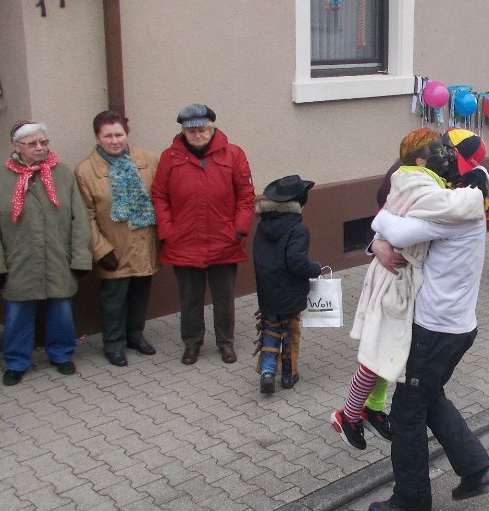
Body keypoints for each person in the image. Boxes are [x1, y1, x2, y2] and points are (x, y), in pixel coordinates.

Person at [334, 131, 486, 451]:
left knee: (393, 351)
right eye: (441, 151)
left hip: (409, 281)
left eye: (449, 151)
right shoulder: (410, 180)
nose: (447, 156)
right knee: (379, 352)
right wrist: (377, 241)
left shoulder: (432, 178)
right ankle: (348, 414)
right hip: (395, 278)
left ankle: (373, 408)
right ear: (420, 160)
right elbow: (388, 216)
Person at [365, 175, 489, 511]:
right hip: (455, 328)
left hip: (435, 332)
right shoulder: (466, 210)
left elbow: (399, 232)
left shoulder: (453, 213)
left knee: (407, 413)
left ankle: (411, 501)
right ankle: (476, 469)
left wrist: (380, 217)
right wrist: (377, 242)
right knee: (429, 396)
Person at [0, 122, 91, 385]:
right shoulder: (1, 178)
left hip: (58, 257)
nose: (40, 147)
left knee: (61, 310)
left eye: (43, 142)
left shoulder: (62, 173)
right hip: (19, 260)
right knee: (17, 314)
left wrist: (80, 257)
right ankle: (17, 361)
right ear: (16, 146)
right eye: (32, 143)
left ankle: (61, 354)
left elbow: (80, 219)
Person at [152, 104, 255, 365]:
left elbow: (246, 196)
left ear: (212, 129)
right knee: (190, 299)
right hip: (183, 242)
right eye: (192, 131)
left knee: (224, 299)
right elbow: (159, 196)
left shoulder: (234, 154)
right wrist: (168, 231)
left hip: (224, 240)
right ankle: (192, 343)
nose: (198, 135)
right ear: (183, 132)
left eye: (202, 130)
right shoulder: (169, 157)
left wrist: (238, 230)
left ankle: (225, 343)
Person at [74, 111, 160, 367]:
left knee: (140, 293)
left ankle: (135, 335)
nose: (114, 141)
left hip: (144, 241)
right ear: (97, 137)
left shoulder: (147, 159)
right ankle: (113, 343)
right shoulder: (85, 171)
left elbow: (161, 197)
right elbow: (85, 215)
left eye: (119, 134)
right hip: (113, 246)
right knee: (114, 299)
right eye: (108, 136)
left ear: (127, 132)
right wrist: (100, 249)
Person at [252, 175, 321, 395]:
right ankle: (289, 376)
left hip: (267, 292)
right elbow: (296, 262)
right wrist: (315, 268)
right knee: (290, 333)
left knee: (270, 330)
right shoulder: (298, 229)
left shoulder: (263, 225)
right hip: (290, 293)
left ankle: (267, 372)